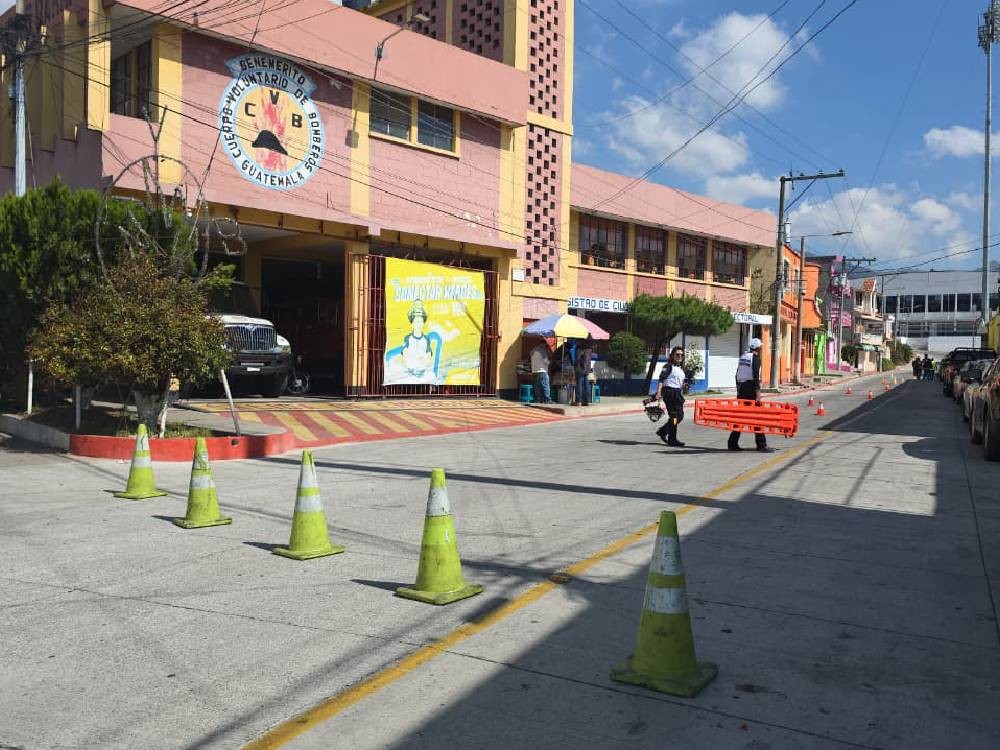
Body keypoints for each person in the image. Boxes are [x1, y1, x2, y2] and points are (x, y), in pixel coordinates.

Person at [729, 338, 770, 452]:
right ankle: (761, 445)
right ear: (758, 348)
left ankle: (732, 443)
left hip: (742, 388)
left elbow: (737, 374)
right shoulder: (755, 358)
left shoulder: (743, 357)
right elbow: (756, 376)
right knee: (757, 417)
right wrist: (758, 393)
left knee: (741, 417)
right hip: (751, 388)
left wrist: (738, 389)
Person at [653, 346, 688, 446]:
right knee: (675, 417)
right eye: (677, 354)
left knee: (679, 416)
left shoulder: (681, 368)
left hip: (677, 393)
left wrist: (684, 385)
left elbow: (677, 381)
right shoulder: (668, 366)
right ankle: (672, 439)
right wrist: (658, 393)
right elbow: (661, 380)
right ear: (672, 356)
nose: (680, 356)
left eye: (682, 355)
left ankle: (663, 431)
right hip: (669, 393)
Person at [529, 339, 553, 403]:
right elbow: (545, 361)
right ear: (544, 344)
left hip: (535, 371)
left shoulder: (533, 350)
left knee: (537, 387)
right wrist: (550, 362)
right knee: (546, 386)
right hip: (542, 371)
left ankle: (537, 400)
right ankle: (548, 400)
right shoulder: (542, 351)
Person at [574, 340, 594, 406]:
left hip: (580, 368)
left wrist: (575, 364)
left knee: (579, 384)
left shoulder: (579, 348)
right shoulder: (589, 349)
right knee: (586, 385)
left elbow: (578, 359)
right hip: (587, 369)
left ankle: (578, 401)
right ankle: (586, 401)